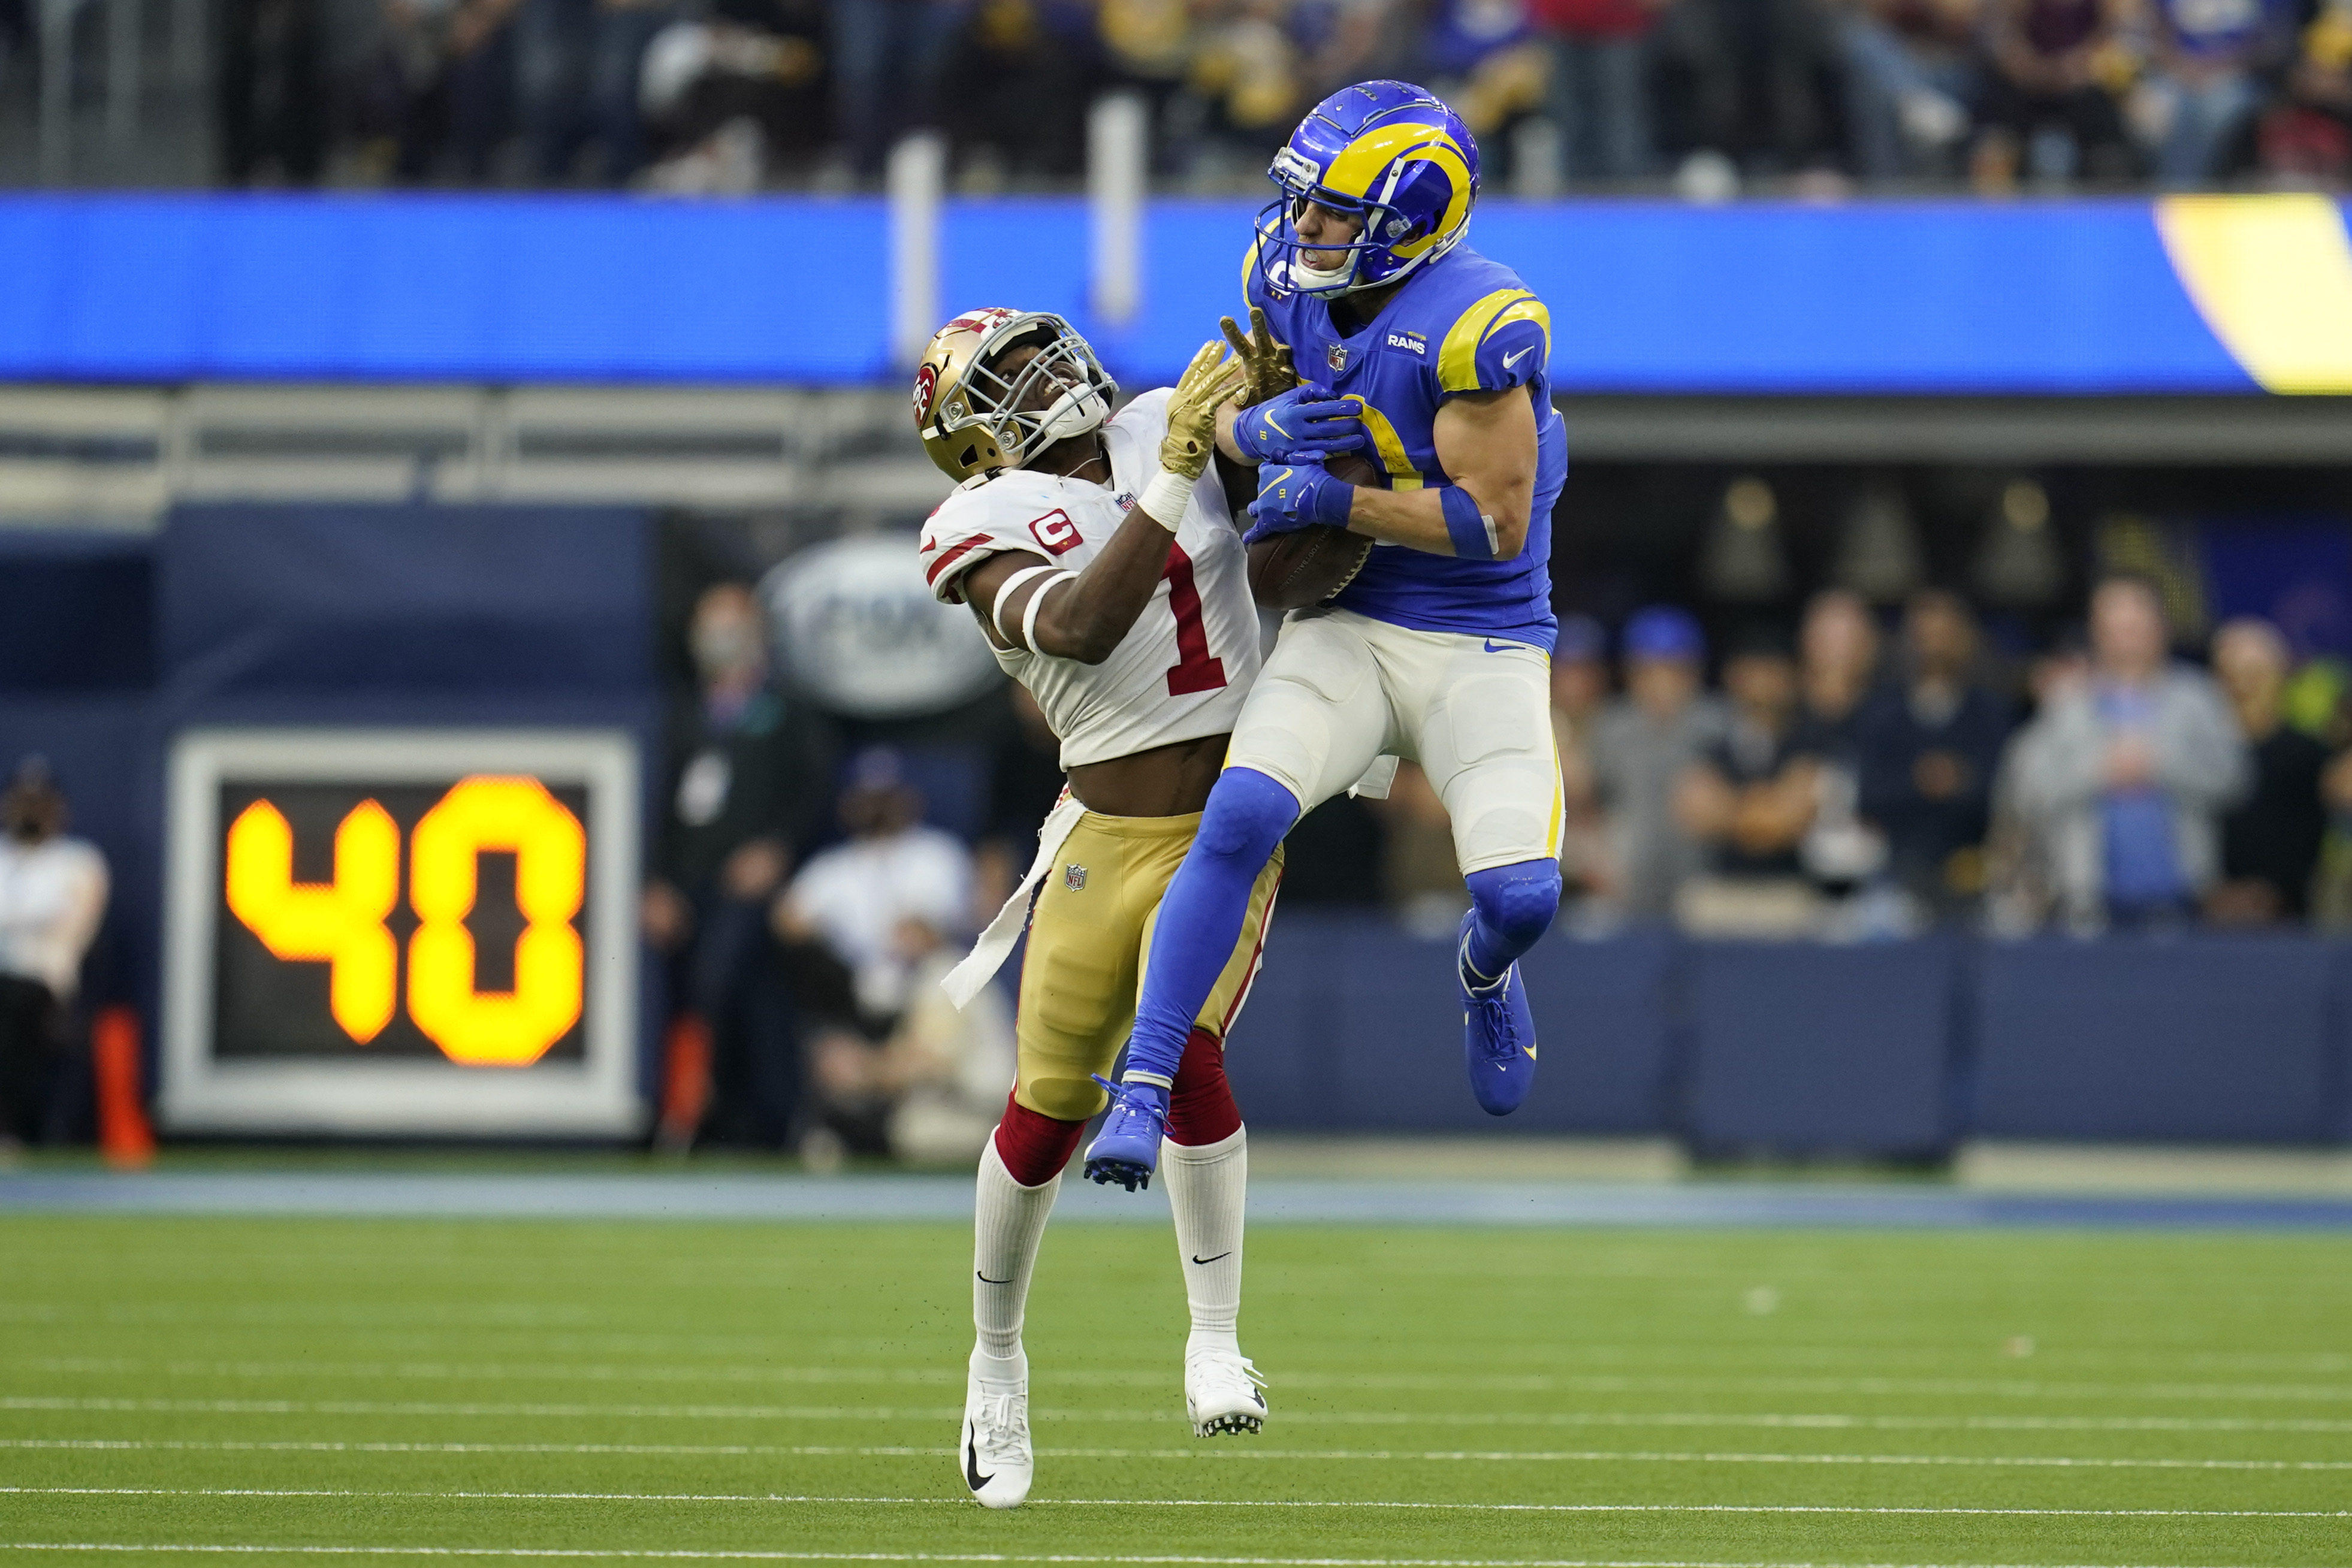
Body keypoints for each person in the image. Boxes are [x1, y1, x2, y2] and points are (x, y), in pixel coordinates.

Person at [1092, 80, 1569, 1212]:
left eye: (1331, 214)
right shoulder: (1287, 278)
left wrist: (1328, 499)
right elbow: (1224, 403)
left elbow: (1487, 523)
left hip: (1479, 633)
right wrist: (1246, 431)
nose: (1302, 231)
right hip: (1347, 619)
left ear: (1407, 217)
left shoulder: (1480, 323)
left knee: (1524, 896)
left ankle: (1484, 970)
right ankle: (1145, 1080)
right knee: (1243, 814)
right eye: (1301, 206)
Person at [908, 307, 1266, 1507]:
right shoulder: (972, 523)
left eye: (1039, 352)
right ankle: (995, 1361)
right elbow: (1077, 623)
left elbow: (1279, 527)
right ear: (969, 437)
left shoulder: (1167, 418)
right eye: (1009, 375)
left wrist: (1288, 414)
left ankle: (1213, 1334)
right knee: (1049, 1105)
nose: (1046, 376)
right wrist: (1169, 488)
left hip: (1228, 824)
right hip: (1099, 834)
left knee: (1188, 1048)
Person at [643, 581, 834, 1149]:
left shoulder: (787, 710)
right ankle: (691, 1115)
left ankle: (747, 1116)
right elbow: (658, 804)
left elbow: (811, 789)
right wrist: (654, 880)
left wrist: (776, 849)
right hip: (688, 881)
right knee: (692, 992)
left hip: (749, 885)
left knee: (735, 985)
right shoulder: (686, 714)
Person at [2006, 577, 2247, 930]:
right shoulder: (2067, 703)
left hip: (2185, 896)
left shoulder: (2197, 697)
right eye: (2115, 628)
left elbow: (2234, 778)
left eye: (2137, 626)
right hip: (2087, 900)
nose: (2127, 638)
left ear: (2161, 628)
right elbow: (2030, 793)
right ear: (2096, 633)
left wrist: (2158, 766)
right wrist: (2099, 771)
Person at [772, 747, 974, 1025]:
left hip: (921, 988)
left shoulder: (938, 852)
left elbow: (950, 926)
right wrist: (820, 942)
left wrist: (918, 932)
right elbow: (787, 921)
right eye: (869, 799)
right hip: (847, 993)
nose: (878, 809)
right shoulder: (831, 865)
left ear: (908, 799)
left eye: (887, 799)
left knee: (942, 967)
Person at [1855, 589, 2013, 916]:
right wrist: (1920, 781)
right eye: (1926, 637)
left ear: (1965, 640)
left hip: (1978, 876)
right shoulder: (1883, 715)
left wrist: (1961, 782)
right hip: (1898, 874)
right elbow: (1868, 796)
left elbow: (2006, 795)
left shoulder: (1990, 714)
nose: (1935, 647)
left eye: (1945, 636)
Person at [1672, 633, 1822, 935]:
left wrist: (1730, 809)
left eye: (1771, 672)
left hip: (1787, 887)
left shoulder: (1808, 743)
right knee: (1694, 908)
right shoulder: (1711, 745)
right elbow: (1696, 815)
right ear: (1734, 678)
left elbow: (1791, 821)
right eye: (1752, 672)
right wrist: (1764, 807)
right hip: (1723, 885)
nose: (1762, 684)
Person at [1586, 607, 1723, 920]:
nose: (1662, 682)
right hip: (1623, 886)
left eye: (1674, 669)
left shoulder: (1716, 724)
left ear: (1694, 672)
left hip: (1703, 884)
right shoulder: (1611, 727)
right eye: (1649, 670)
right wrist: (1595, 858)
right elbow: (1587, 806)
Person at [0, 760, 108, 1150]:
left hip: (46, 986)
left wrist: (19, 919)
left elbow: (70, 924)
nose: (31, 813)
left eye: (39, 803)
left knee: (15, 1001)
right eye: (23, 802)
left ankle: (11, 1129)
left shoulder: (78, 861)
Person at [2207, 617, 2327, 924]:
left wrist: (2271, 892)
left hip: (2289, 922)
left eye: (2257, 673)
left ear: (2282, 676)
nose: (2245, 685)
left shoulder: (2310, 755)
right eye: (2232, 674)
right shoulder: (2196, 755)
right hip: (2201, 919)